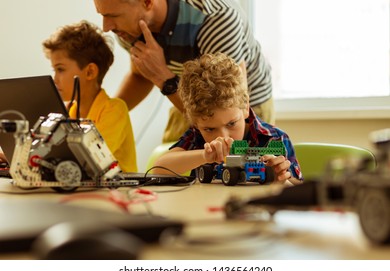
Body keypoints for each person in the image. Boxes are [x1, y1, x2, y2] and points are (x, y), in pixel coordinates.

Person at [93, 0, 274, 143]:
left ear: (147, 2)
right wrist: (102, 116)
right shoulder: (128, 29)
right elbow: (141, 76)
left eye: (112, 15)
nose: (106, 27)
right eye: (102, 15)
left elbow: (225, 108)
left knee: (236, 172)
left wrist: (164, 78)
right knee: (171, 172)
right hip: (188, 95)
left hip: (241, 105)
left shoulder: (215, 19)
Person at [153, 53, 302, 186]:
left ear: (245, 107)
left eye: (231, 124)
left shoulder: (274, 138)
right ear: (196, 124)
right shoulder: (197, 137)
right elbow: (159, 169)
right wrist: (204, 156)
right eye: (209, 129)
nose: (223, 137)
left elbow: (297, 188)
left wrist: (281, 179)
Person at [42, 20, 138, 172]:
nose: (55, 79)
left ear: (90, 72)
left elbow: (88, 158)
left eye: (60, 69)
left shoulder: (114, 110)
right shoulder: (68, 112)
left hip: (118, 192)